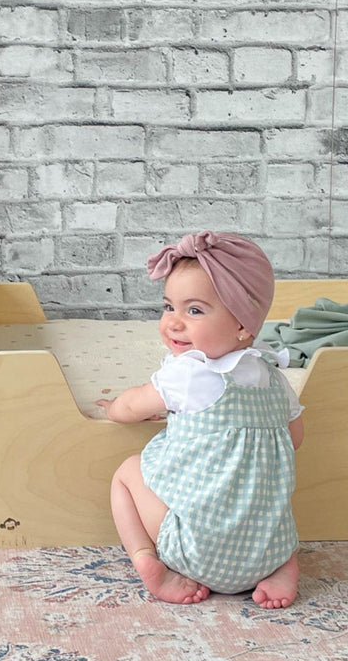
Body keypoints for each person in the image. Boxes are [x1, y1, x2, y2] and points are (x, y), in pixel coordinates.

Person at [97, 231, 304, 608]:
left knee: (126, 473)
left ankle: (146, 558)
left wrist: (112, 407)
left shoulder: (189, 374)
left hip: (193, 550)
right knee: (275, 518)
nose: (174, 323)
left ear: (242, 325)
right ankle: (281, 568)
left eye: (194, 311)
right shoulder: (275, 378)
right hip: (266, 549)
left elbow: (132, 407)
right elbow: (294, 438)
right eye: (168, 307)